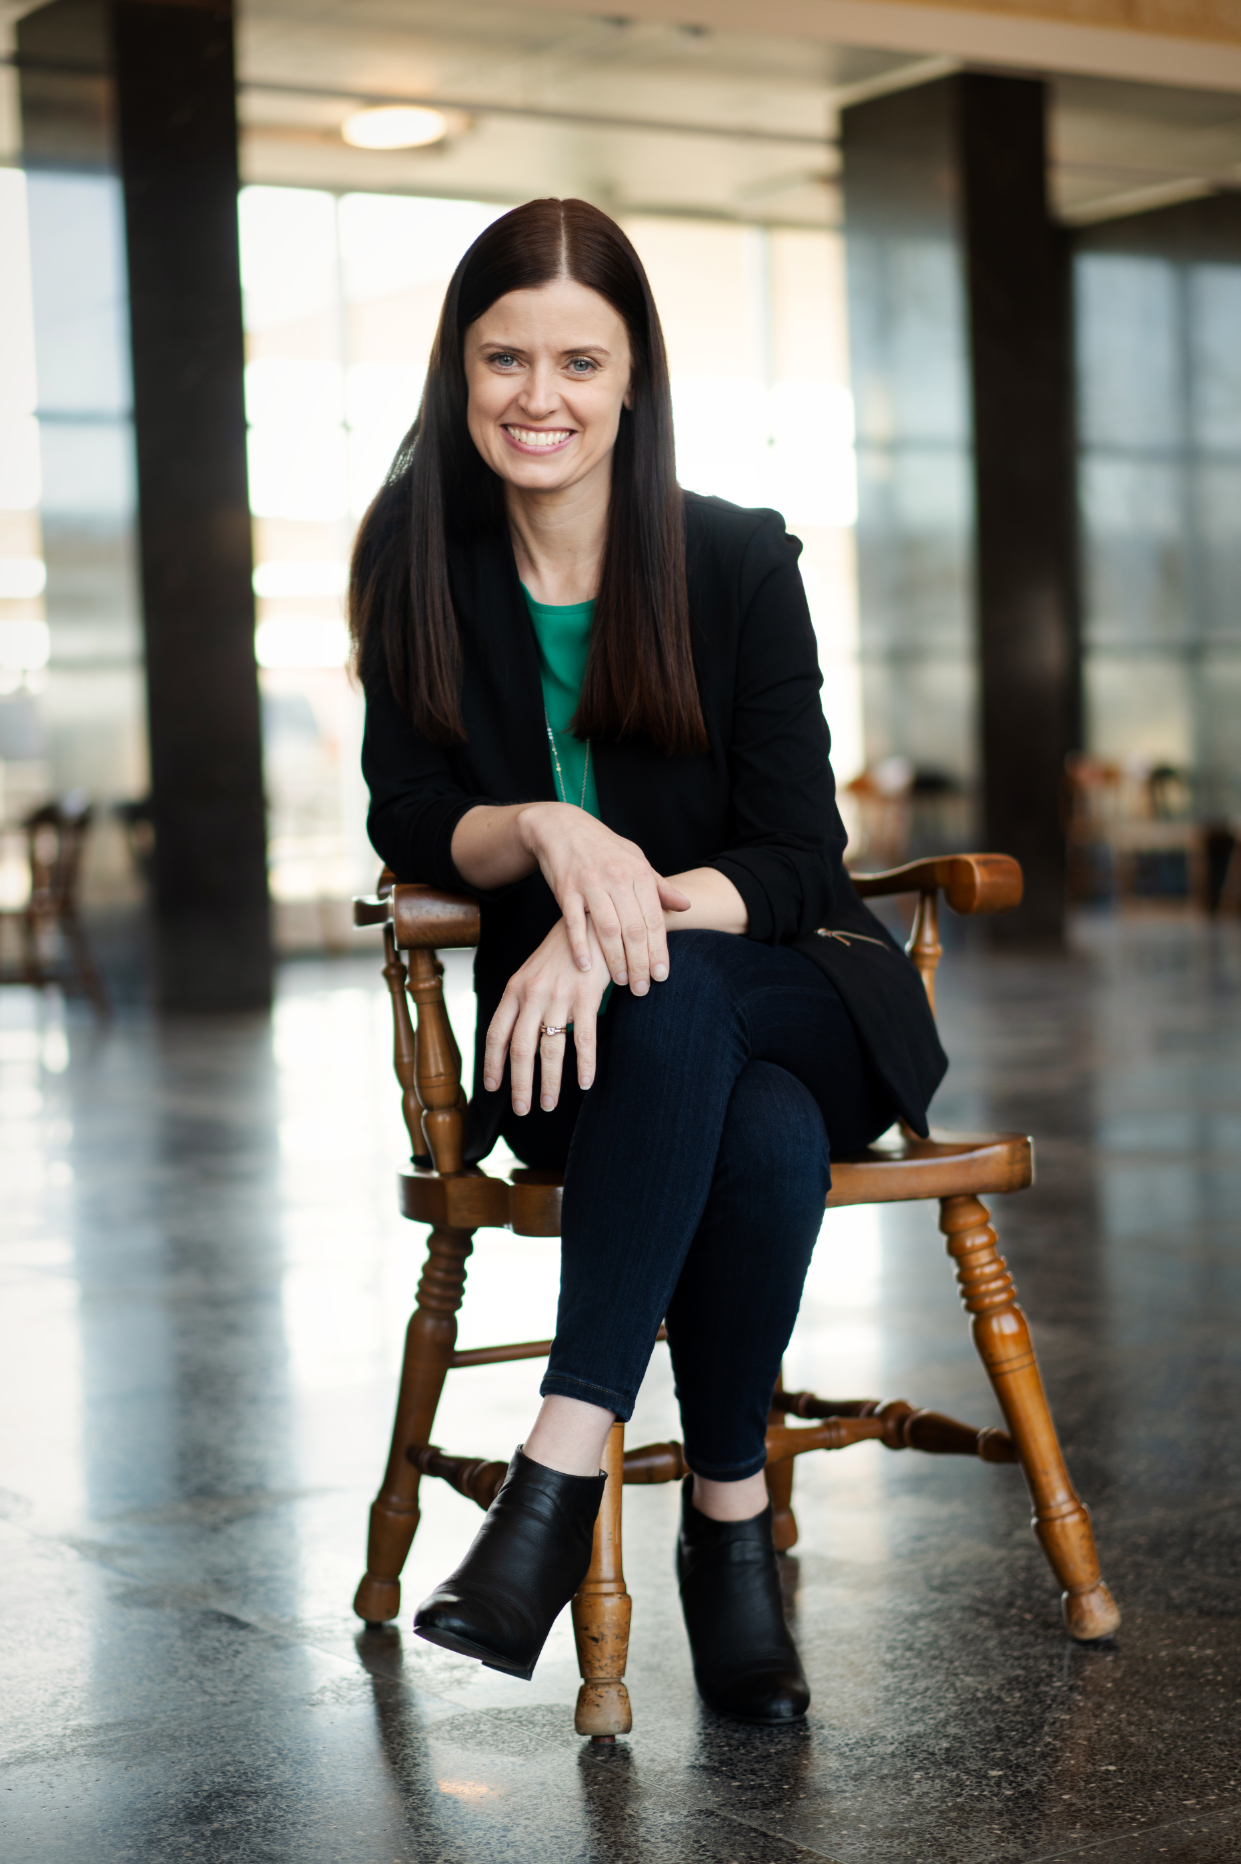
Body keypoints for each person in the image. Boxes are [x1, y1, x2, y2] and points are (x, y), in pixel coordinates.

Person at [351, 197, 946, 1725]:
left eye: (578, 360)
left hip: (792, 987)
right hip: (581, 1063)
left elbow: (802, 855)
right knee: (747, 1129)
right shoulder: (417, 555)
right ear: (459, 369)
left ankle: (557, 1467)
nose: (537, 396)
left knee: (687, 1001)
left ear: (632, 380)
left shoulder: (735, 560)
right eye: (504, 357)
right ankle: (728, 1528)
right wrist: (552, 837)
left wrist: (624, 923)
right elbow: (410, 815)